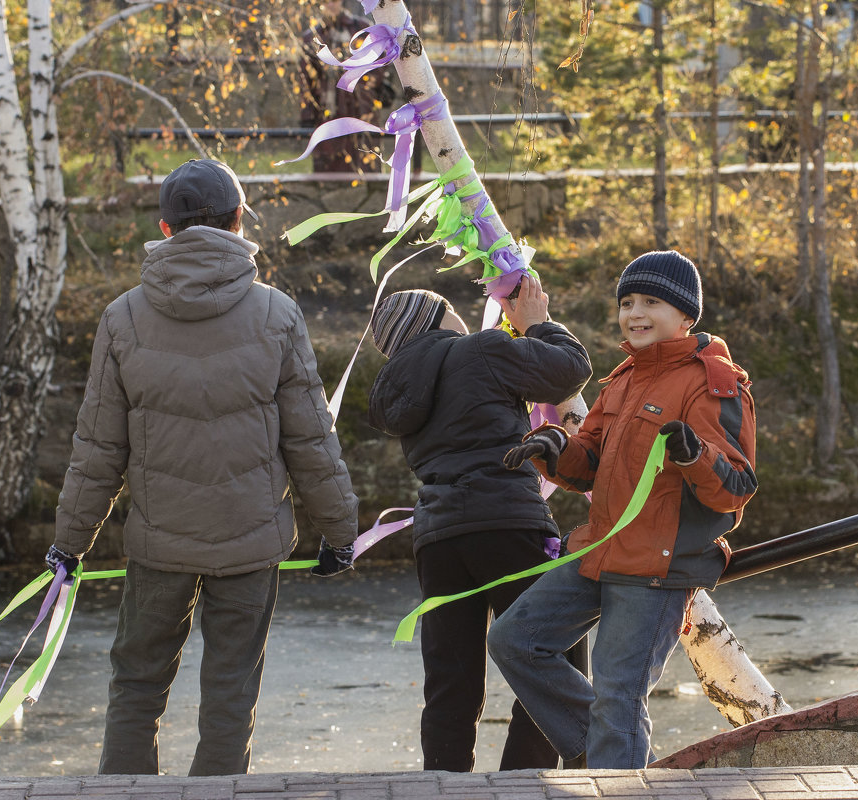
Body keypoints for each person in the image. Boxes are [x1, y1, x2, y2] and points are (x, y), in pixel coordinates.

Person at [45, 158, 360, 776]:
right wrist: (342, 533)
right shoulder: (277, 313)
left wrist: (68, 543)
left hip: (160, 544)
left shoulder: (124, 318)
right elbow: (311, 442)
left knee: (135, 688)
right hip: (250, 543)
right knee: (230, 698)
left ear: (165, 228)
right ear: (239, 220)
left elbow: (98, 448)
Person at [488, 250, 757, 769]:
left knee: (619, 698)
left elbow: (736, 486)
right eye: (627, 301)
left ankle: (615, 753)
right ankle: (607, 748)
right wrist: (551, 447)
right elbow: (587, 463)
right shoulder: (624, 380)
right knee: (515, 641)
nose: (634, 312)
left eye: (650, 301)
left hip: (657, 568)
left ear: (685, 315)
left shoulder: (715, 381)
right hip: (601, 551)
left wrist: (694, 456)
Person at [367, 276, 592, 771]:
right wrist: (538, 325)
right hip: (508, 523)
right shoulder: (481, 350)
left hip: (437, 537)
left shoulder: (402, 388)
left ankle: (444, 784)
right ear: (437, 320)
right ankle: (522, 779)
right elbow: (570, 371)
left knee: (452, 678)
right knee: (552, 654)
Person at [299, 0, 395, 172]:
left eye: (334, 0)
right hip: (327, 111)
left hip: (361, 108)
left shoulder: (361, 29)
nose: (330, 5)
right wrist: (307, 114)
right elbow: (305, 79)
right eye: (326, 1)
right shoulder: (313, 36)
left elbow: (378, 66)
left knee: (365, 160)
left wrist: (359, 85)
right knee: (331, 165)